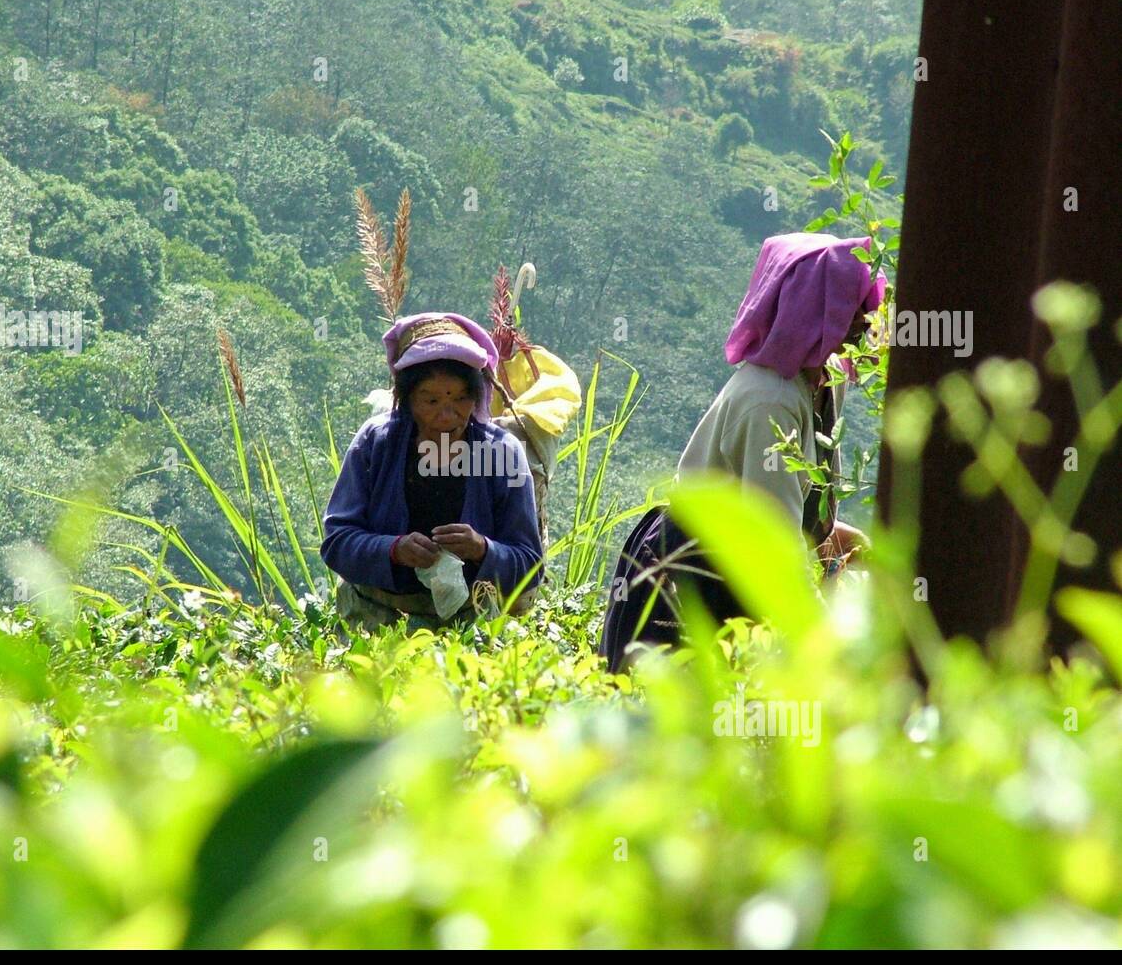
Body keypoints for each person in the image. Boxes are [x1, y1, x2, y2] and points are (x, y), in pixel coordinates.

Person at [600, 233, 888, 672]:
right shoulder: (769, 400)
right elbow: (774, 545)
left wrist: (834, 538)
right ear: (814, 313)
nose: (863, 325)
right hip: (696, 570)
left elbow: (792, 492)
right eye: (850, 312)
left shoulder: (826, 379)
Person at [321, 312, 543, 630]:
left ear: (476, 397)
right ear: (407, 399)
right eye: (431, 400)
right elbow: (337, 543)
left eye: (460, 399)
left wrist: (483, 549)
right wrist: (394, 550)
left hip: (471, 625)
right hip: (376, 618)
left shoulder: (500, 453)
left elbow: (529, 564)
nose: (446, 415)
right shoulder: (376, 443)